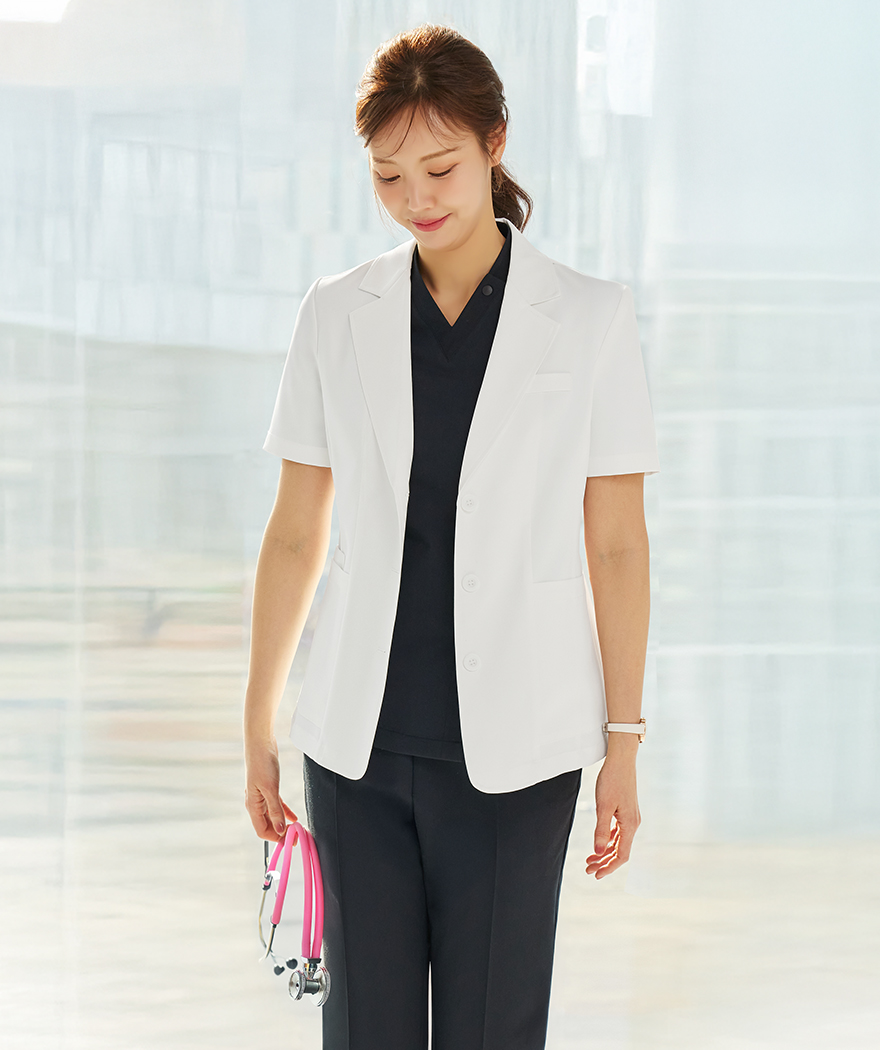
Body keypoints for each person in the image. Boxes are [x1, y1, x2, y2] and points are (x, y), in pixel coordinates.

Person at [244, 22, 659, 1050]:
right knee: (364, 1032)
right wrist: (257, 719)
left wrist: (624, 741)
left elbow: (616, 544)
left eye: (439, 168)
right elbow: (295, 532)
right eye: (388, 177)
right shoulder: (334, 313)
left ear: (494, 143)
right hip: (356, 750)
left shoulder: (591, 318)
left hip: (520, 754)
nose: (416, 199)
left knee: (492, 1032)